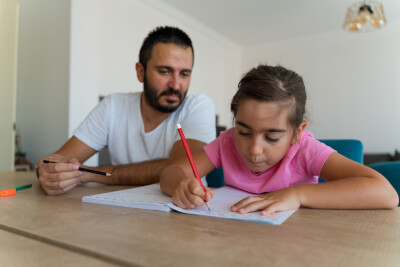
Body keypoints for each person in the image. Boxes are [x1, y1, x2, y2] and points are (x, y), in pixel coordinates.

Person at [160, 64, 399, 214]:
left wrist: (297, 194)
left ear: (297, 132)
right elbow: (171, 174)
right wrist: (182, 186)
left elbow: (386, 193)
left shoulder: (305, 149)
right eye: (243, 132)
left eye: (272, 137)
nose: (254, 150)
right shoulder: (226, 142)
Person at [36, 26, 216, 195]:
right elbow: (57, 160)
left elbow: (179, 168)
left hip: (184, 217)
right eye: (164, 72)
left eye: (184, 74)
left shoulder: (199, 105)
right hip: (122, 216)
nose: (176, 85)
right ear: (140, 72)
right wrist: (48, 172)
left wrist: (92, 173)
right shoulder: (113, 106)